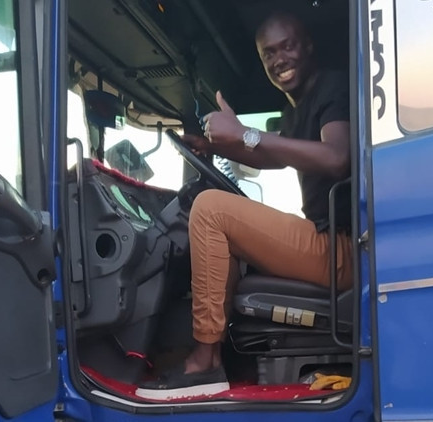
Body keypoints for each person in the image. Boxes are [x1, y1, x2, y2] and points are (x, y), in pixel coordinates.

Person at [135, 11, 353, 400]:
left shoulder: (332, 86)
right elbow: (275, 157)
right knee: (225, 232)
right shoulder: (296, 108)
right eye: (269, 53)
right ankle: (229, 358)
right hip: (329, 243)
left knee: (211, 209)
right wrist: (219, 145)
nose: (279, 59)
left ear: (308, 46)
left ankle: (205, 362)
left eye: (287, 47)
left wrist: (245, 133)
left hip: (343, 248)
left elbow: (337, 157)